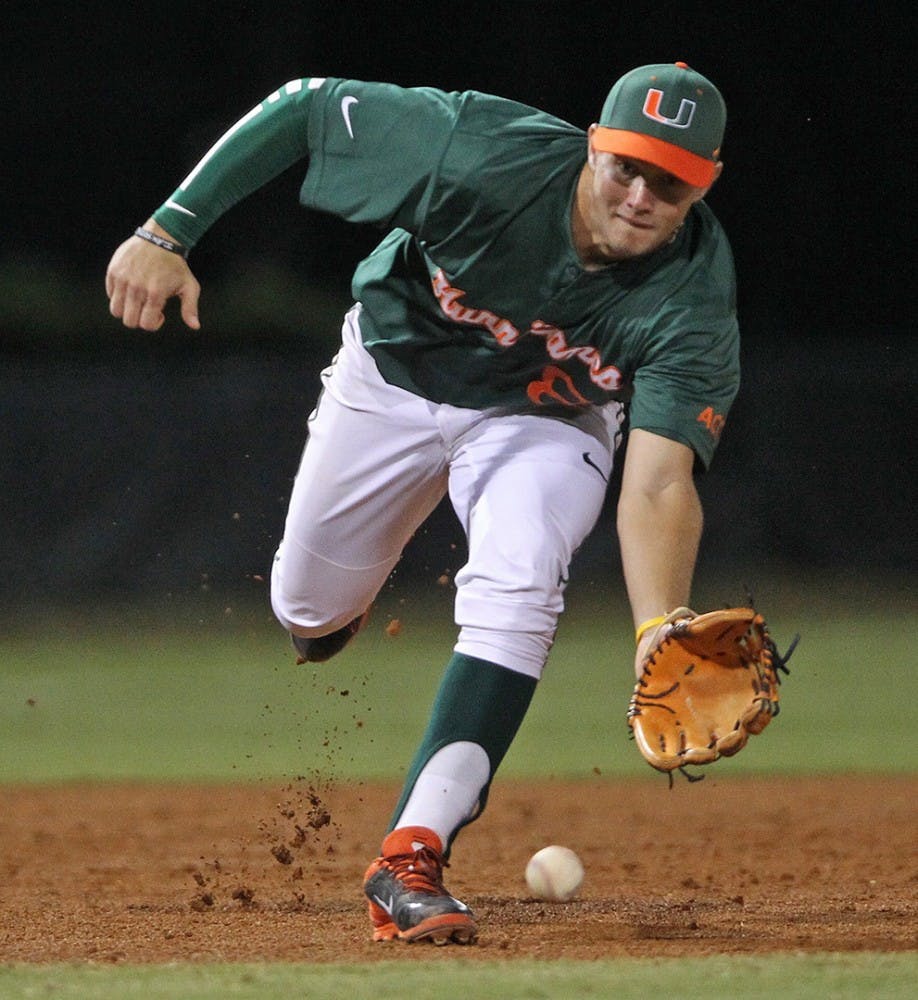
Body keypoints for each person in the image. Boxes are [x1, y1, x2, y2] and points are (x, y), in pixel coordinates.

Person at [106, 61, 739, 945]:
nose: (638, 195)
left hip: (543, 419)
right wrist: (168, 232)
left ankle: (410, 856)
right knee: (307, 609)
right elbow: (306, 108)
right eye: (625, 165)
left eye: (668, 183)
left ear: (702, 187)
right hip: (392, 378)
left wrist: (657, 628)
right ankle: (330, 618)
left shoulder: (693, 298)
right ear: (594, 146)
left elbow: (661, 480)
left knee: (522, 582)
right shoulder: (480, 152)